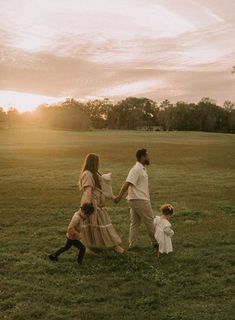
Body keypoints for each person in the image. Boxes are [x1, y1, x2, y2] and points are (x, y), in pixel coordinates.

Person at [79, 153, 124, 254]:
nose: (98, 164)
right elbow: (88, 191)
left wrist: (112, 197)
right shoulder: (87, 174)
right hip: (91, 204)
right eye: (97, 162)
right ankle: (87, 247)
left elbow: (102, 188)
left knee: (101, 225)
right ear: (93, 162)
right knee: (91, 226)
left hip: (98, 205)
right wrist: (86, 207)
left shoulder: (95, 173)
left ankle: (110, 246)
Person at [114, 149, 157, 249]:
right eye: (147, 156)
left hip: (135, 199)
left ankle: (133, 244)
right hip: (140, 200)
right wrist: (119, 196)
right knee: (149, 220)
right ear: (142, 157)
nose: (149, 158)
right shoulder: (136, 169)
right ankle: (156, 242)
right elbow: (127, 183)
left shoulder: (142, 169)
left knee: (135, 223)